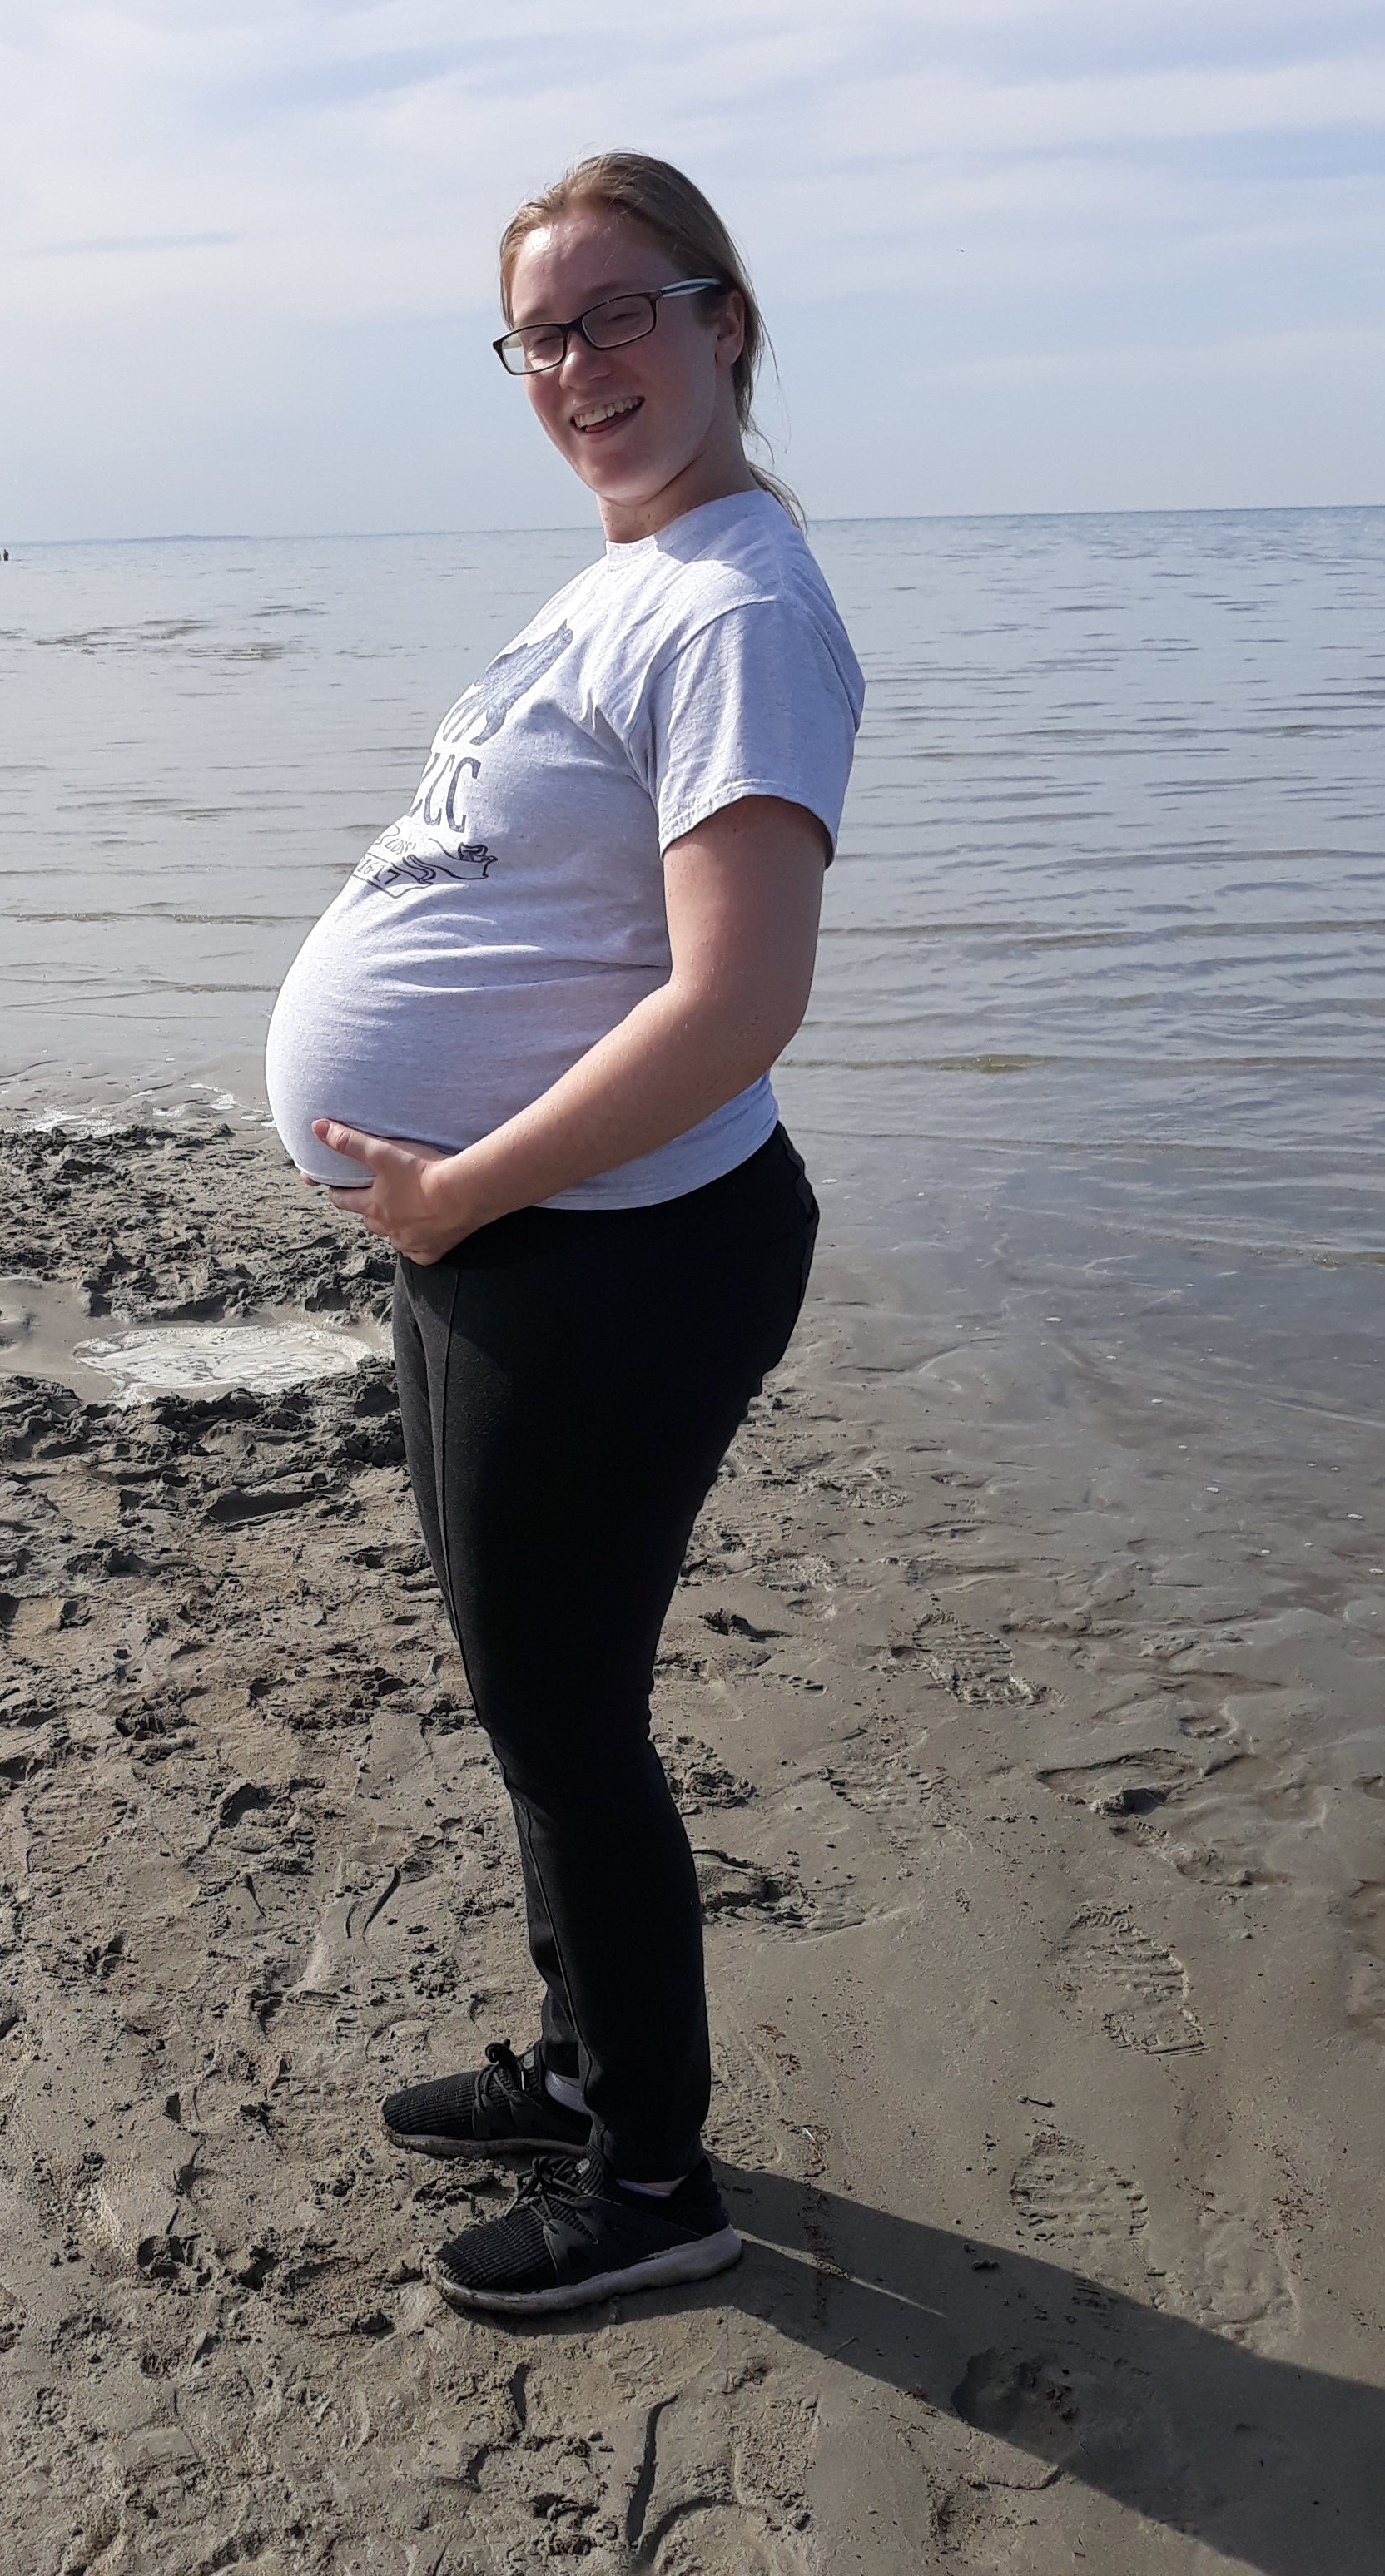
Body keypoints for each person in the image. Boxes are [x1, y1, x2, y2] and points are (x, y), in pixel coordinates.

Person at [261, 151, 863, 2316]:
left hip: (621, 1247)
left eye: (626, 311)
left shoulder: (738, 609)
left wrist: (461, 1182)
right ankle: (587, 2064)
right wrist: (437, 1198)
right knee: (532, 1702)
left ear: (727, 321)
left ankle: (652, 2186)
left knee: (569, 1717)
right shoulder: (630, 577)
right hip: (510, 1235)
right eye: (544, 330)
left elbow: (741, 998)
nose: (583, 363)